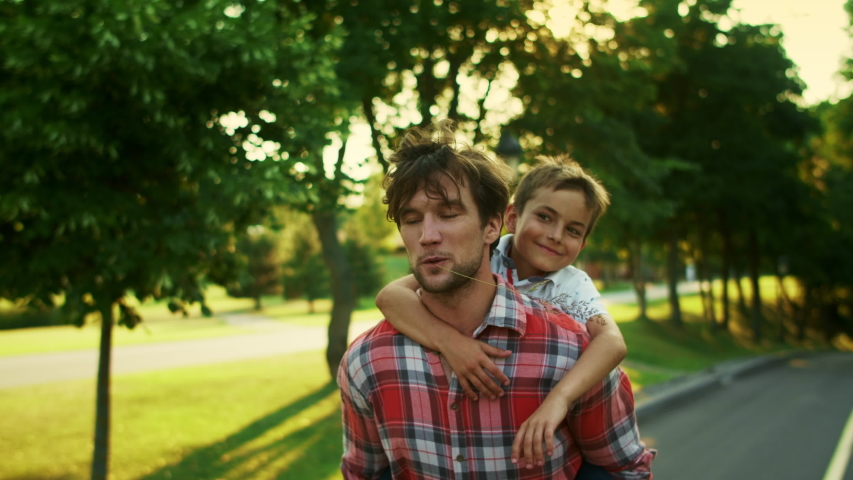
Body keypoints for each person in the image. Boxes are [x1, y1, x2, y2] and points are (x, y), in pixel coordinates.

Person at [338, 121, 655, 479]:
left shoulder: (572, 338)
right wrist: (451, 343)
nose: (428, 236)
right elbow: (391, 296)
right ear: (512, 220)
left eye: (448, 214)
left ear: (492, 226)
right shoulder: (366, 362)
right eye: (412, 220)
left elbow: (612, 346)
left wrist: (559, 399)